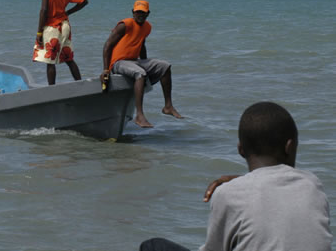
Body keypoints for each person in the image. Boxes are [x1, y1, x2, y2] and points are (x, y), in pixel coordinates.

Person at [140, 101, 333, 251]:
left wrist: (236, 183)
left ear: (241, 150)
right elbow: (273, 184)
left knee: (153, 246)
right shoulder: (312, 185)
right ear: (289, 147)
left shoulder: (228, 194)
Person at [100, 0, 181, 128]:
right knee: (140, 73)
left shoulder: (147, 27)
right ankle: (139, 115)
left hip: (134, 61)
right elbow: (107, 46)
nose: (140, 15)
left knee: (165, 66)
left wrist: (145, 63)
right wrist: (106, 70)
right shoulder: (125, 25)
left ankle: (168, 106)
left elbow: (141, 45)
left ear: (148, 13)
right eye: (137, 12)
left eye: (143, 13)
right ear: (133, 12)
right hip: (118, 62)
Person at [33, 0, 88, 85]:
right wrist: (68, 12)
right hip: (65, 25)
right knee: (68, 58)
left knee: (50, 62)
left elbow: (44, 10)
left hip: (52, 27)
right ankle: (80, 85)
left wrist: (39, 32)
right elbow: (84, 1)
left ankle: (51, 90)